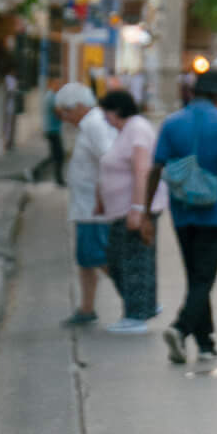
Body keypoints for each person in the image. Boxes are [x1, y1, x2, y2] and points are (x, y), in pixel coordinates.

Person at [147, 68, 217, 367]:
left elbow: (156, 168)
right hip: (215, 212)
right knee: (204, 278)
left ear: (192, 92)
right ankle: (180, 329)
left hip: (181, 211)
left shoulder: (172, 122)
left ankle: (206, 342)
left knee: (196, 277)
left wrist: (144, 209)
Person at [97, 89, 162, 333]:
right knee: (119, 259)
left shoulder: (137, 129)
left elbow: (141, 171)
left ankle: (136, 315)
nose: (104, 118)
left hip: (133, 210)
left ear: (116, 111)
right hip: (122, 210)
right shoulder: (126, 131)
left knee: (131, 261)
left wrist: (137, 209)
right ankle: (142, 306)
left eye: (106, 112)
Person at [56, 81, 114, 328]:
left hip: (94, 207)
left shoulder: (94, 125)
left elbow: (108, 158)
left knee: (96, 257)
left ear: (79, 106)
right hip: (86, 206)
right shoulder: (90, 124)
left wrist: (102, 196)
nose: (65, 118)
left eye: (67, 112)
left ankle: (134, 295)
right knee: (86, 260)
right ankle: (86, 307)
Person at [41, 84, 65, 186]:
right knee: (59, 155)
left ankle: (58, 179)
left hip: (52, 129)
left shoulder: (50, 96)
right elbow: (58, 112)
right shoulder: (52, 97)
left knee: (54, 155)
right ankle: (59, 180)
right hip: (52, 130)